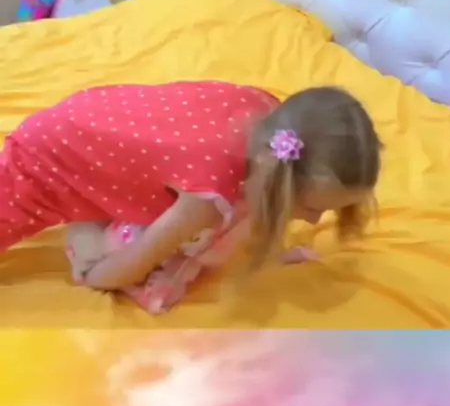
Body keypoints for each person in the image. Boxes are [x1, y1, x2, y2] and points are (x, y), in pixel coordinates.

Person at [0, 81, 382, 312]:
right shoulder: (207, 198)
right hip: (45, 158)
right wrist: (93, 273)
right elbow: (129, 266)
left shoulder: (269, 115)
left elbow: (260, 200)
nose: (314, 222)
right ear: (275, 175)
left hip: (88, 114)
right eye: (312, 209)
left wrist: (274, 250)